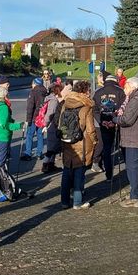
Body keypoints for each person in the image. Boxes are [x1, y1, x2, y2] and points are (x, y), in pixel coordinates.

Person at [60, 81, 97, 210]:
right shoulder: (86, 107)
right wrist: (95, 141)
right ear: (84, 92)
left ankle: (64, 201)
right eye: (88, 91)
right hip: (81, 143)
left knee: (66, 171)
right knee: (79, 173)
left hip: (67, 142)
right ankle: (77, 202)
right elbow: (91, 129)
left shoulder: (66, 104)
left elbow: (61, 123)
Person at [113, 77, 138, 208]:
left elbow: (127, 120)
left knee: (133, 168)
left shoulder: (136, 101)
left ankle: (135, 197)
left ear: (132, 86)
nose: (124, 89)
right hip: (132, 138)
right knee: (132, 167)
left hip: (133, 139)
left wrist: (116, 119)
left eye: (126, 86)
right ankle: (135, 192)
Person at [93, 73, 126, 180]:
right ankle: (129, 172)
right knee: (123, 147)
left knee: (107, 149)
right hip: (117, 123)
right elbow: (124, 108)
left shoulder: (98, 92)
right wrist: (115, 120)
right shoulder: (120, 91)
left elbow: (95, 109)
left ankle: (109, 175)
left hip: (104, 123)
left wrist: (101, 121)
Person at [0, 86, 23, 168]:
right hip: (2, 137)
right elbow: (5, 125)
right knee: (0, 164)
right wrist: (19, 125)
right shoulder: (3, 107)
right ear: (5, 96)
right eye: (8, 95)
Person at [21, 78, 47, 161]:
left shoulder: (33, 92)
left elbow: (30, 107)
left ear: (35, 83)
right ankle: (39, 153)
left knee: (29, 135)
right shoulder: (45, 92)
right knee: (40, 136)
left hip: (33, 118)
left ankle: (28, 153)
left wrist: (28, 119)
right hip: (41, 117)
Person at [42, 84, 63, 173]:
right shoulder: (54, 101)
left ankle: (50, 164)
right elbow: (50, 114)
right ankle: (45, 165)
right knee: (52, 148)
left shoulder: (50, 99)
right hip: (52, 126)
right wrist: (45, 125)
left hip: (51, 125)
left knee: (53, 147)